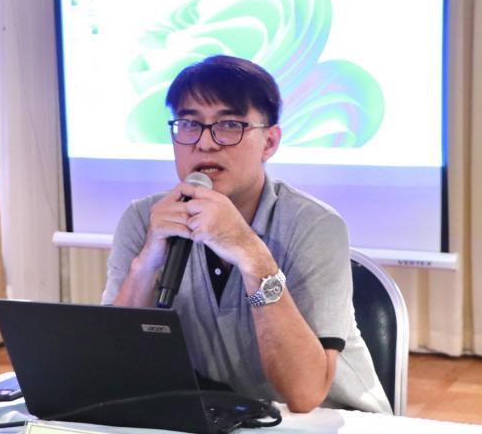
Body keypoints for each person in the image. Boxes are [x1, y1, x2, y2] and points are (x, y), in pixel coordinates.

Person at [101, 55, 391, 414]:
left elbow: (304, 395)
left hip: (331, 424)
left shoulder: (315, 226)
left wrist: (251, 254)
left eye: (229, 125)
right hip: (221, 421)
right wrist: (147, 264)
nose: (205, 143)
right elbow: (113, 369)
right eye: (189, 124)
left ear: (269, 142)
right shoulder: (144, 219)